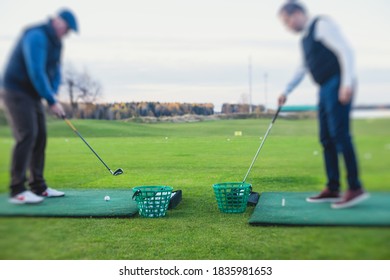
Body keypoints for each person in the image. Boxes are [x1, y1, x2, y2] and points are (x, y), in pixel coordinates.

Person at [277, 1, 369, 209]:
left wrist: (346, 83)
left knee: (340, 134)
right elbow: (302, 68)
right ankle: (333, 187)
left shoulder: (321, 24)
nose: (287, 26)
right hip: (324, 88)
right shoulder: (305, 40)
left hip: (337, 82)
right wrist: (286, 91)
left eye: (287, 21)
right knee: (326, 138)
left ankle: (355, 187)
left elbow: (346, 51)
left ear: (298, 13)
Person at [2, 9, 78, 204]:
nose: (67, 33)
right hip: (15, 89)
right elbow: (36, 71)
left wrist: (51, 95)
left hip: (33, 94)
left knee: (40, 136)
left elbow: (55, 71)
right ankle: (17, 189)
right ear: (58, 21)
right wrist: (51, 101)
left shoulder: (57, 43)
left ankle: (39, 187)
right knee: (27, 134)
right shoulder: (36, 35)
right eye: (67, 28)